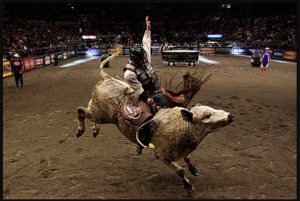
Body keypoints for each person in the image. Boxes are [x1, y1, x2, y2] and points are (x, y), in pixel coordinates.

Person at [123, 16, 167, 155]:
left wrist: (147, 29)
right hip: (142, 95)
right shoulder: (129, 73)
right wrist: (150, 101)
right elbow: (139, 90)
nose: (144, 61)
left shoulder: (144, 55)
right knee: (145, 118)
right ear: (135, 59)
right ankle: (141, 141)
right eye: (141, 59)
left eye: (143, 58)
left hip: (156, 89)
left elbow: (146, 42)